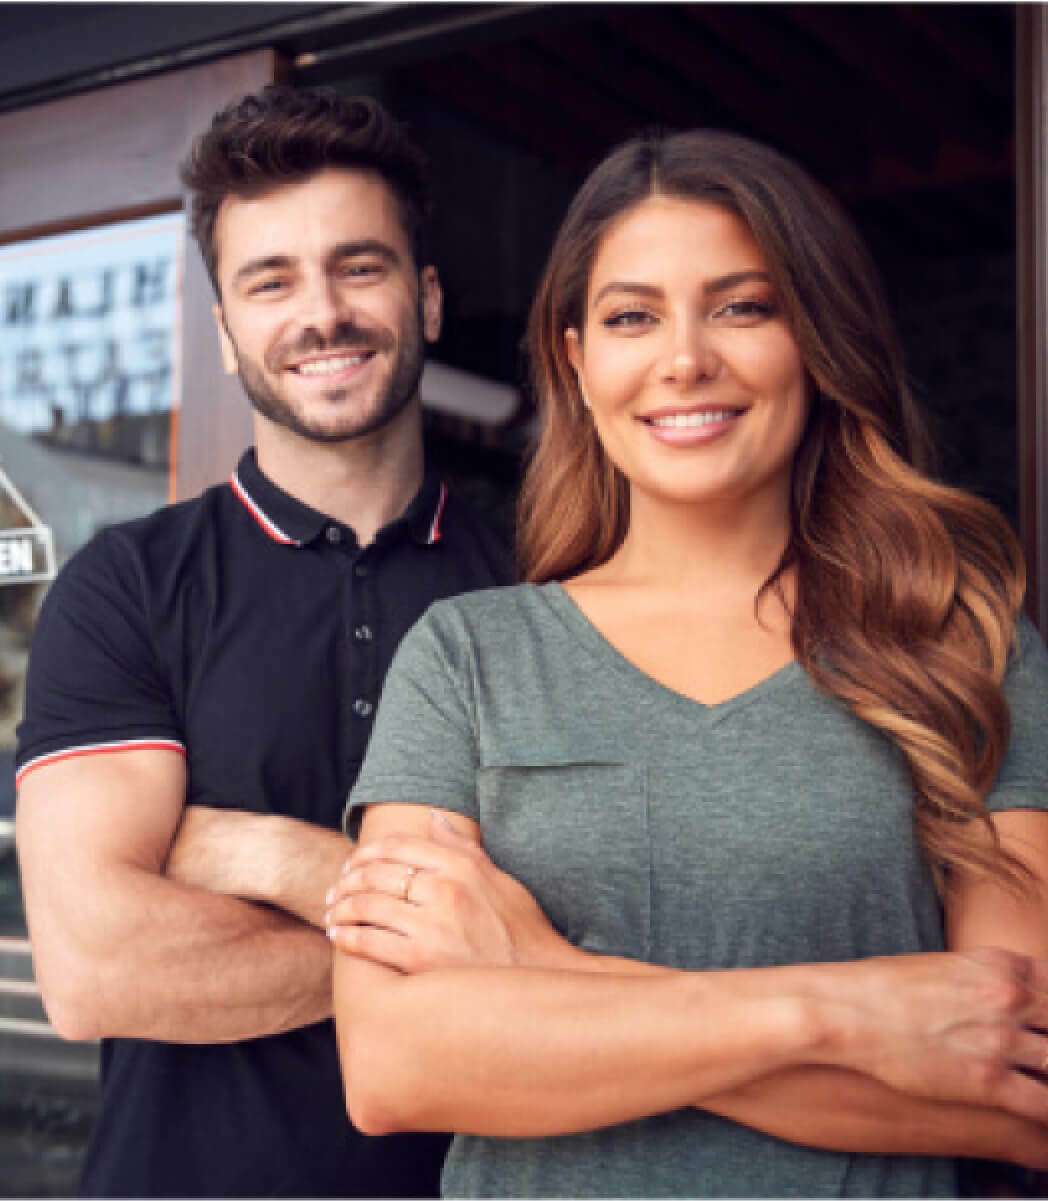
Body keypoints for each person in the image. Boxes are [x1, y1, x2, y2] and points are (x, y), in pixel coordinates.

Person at [327, 128, 1048, 1198]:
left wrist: (547, 973)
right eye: (631, 316)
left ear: (814, 335)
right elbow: (398, 1065)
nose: (684, 359)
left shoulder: (962, 643)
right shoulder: (469, 658)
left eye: (742, 306)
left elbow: (1018, 1094)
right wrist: (841, 1014)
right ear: (577, 360)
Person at [13, 85, 512, 1198]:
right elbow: (94, 965)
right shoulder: (128, 589)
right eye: (270, 281)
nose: (321, 312)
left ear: (427, 298)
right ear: (228, 334)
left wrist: (264, 856)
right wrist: (455, 947)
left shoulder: (545, 582)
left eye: (361, 266)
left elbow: (601, 917)